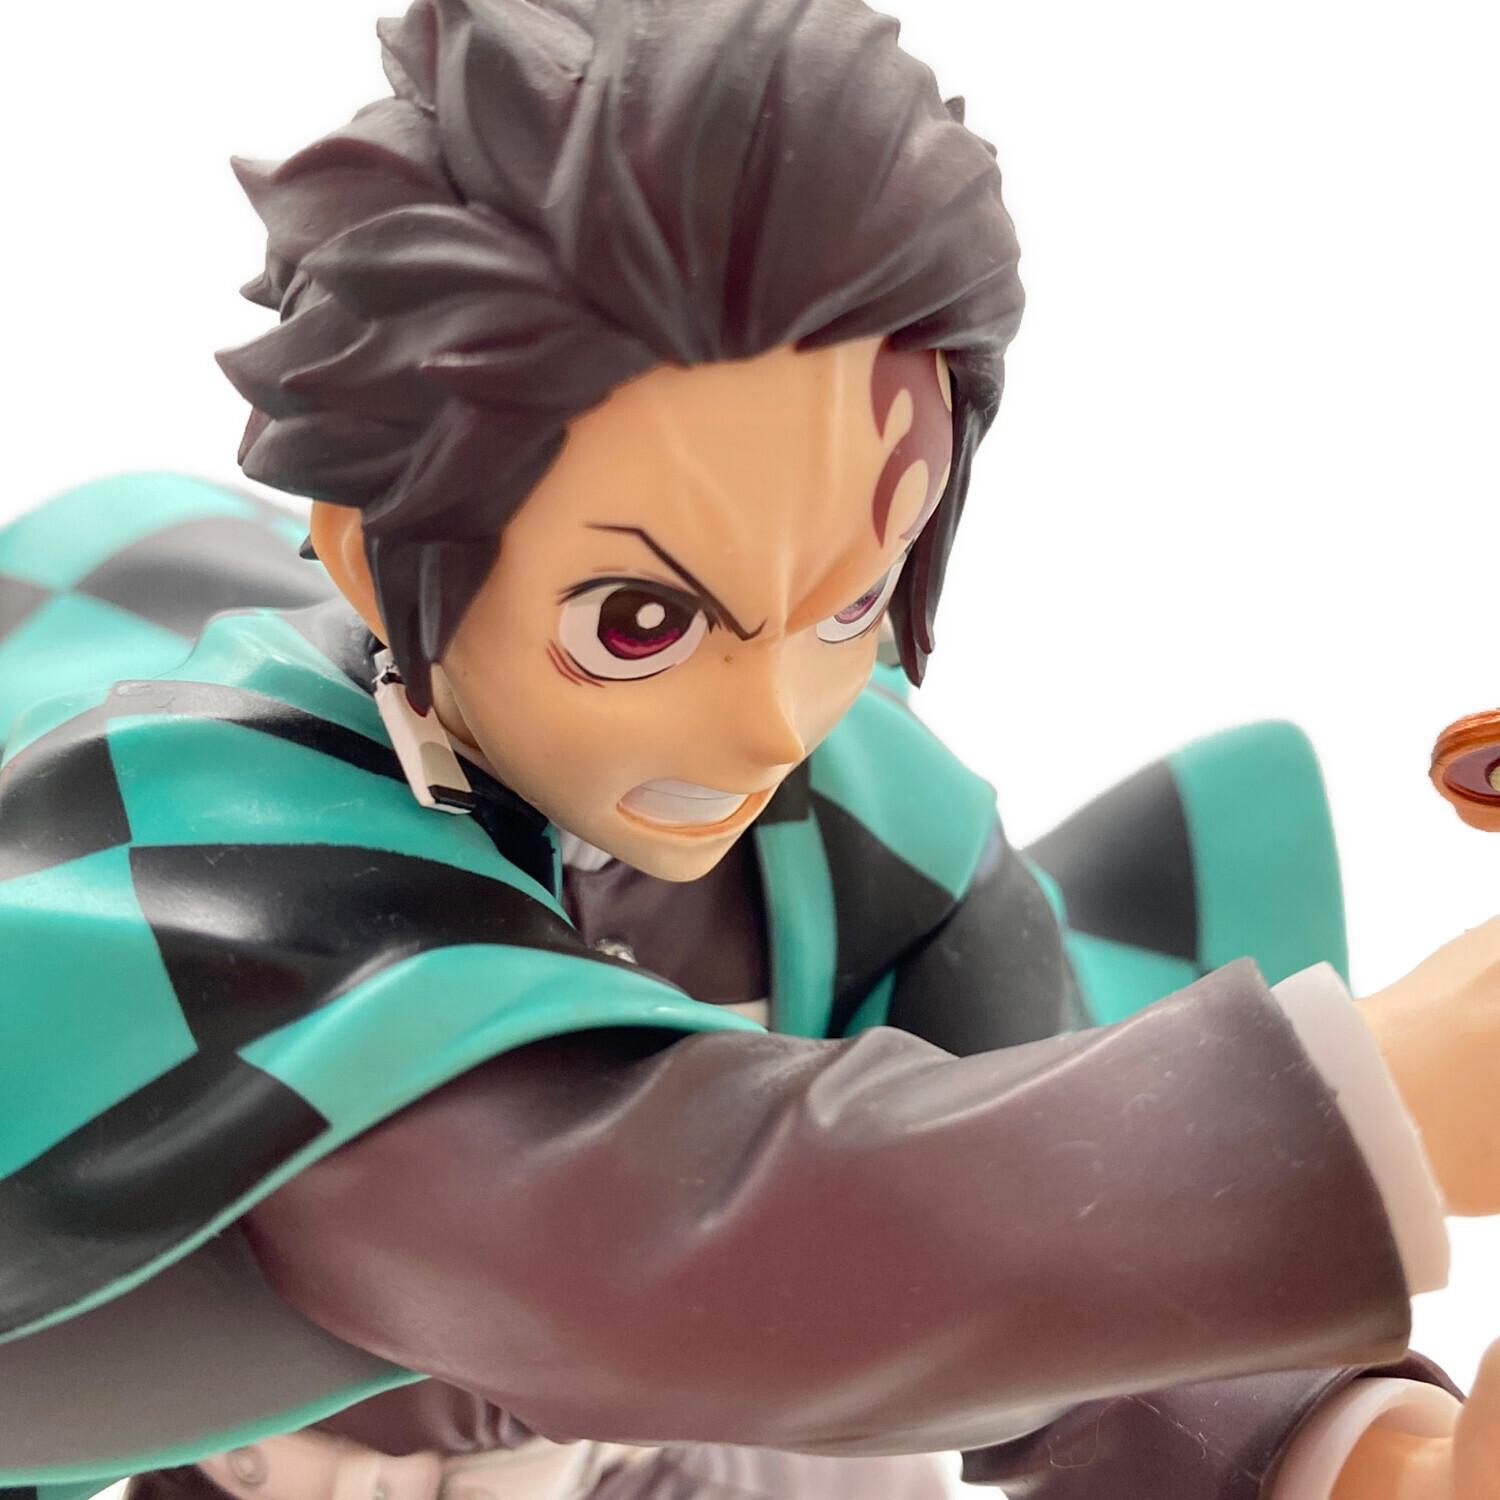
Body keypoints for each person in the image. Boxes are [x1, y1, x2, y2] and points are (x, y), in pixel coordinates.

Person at [2, 2, 1499, 1496]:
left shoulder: (860, 824)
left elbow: (1078, 1281)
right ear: (371, 549)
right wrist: (1377, 1094)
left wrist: (1381, 1463)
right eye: (643, 621)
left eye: (849, 599)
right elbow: (611, 1248)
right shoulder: (208, 866)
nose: (775, 719)